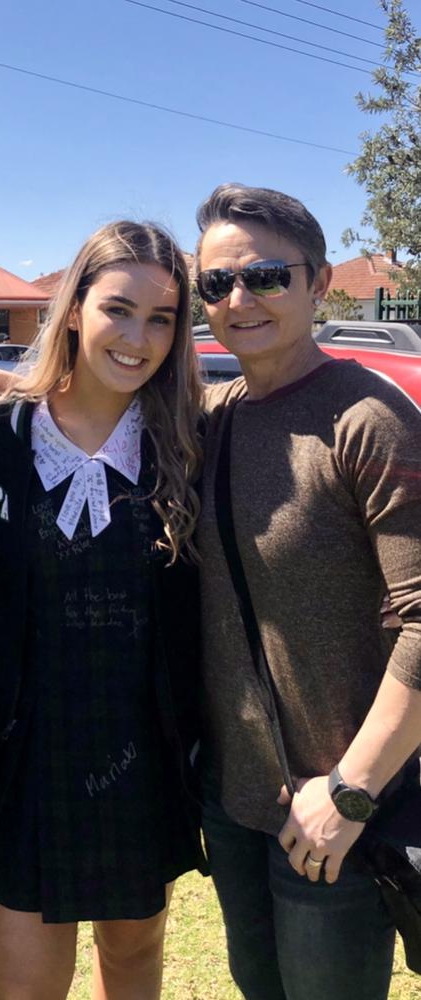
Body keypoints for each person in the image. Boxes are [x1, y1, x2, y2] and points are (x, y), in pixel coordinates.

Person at [0, 220, 206, 999]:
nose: (138, 338)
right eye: (118, 309)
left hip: (142, 747)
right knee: (27, 984)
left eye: (162, 318)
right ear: (73, 309)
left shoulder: (189, 441)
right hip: (30, 748)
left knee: (135, 960)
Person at [194, 183, 421, 1000]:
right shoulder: (213, 417)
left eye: (265, 276)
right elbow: (79, 404)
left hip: (336, 809)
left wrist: (352, 792)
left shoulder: (367, 420)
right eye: (217, 284)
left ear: (319, 283)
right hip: (239, 802)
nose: (240, 299)